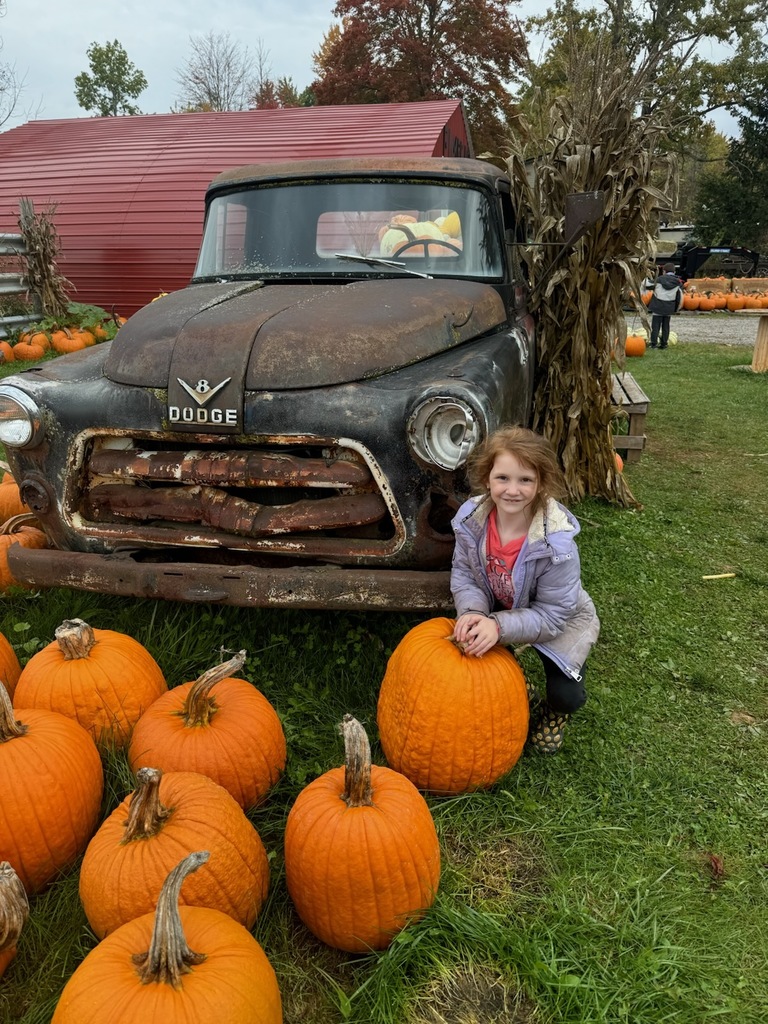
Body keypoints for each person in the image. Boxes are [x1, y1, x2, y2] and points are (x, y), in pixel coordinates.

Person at [450, 426, 600, 754]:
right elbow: (466, 576)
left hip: (557, 618)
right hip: (501, 606)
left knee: (566, 695)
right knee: (472, 657)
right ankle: (518, 686)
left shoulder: (556, 544)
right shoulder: (472, 522)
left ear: (542, 483)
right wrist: (474, 613)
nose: (512, 490)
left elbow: (552, 615)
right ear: (487, 478)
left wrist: (498, 626)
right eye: (503, 478)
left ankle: (554, 713)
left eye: (525, 480)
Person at [648, 262, 684, 349]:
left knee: (655, 326)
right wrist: (676, 308)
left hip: (658, 305)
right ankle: (664, 344)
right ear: (674, 272)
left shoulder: (659, 279)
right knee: (666, 326)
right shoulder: (678, 282)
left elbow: (648, 285)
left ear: (664, 271)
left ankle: (654, 344)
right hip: (669, 306)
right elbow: (679, 297)